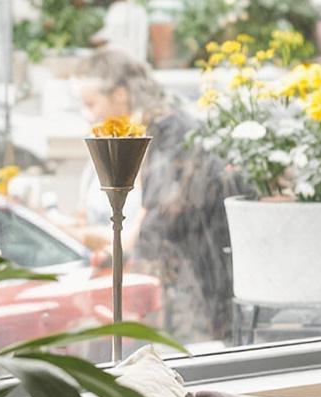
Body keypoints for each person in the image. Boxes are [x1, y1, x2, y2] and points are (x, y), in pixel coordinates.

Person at [75, 47, 241, 347]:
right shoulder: (145, 134)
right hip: (178, 294)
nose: (87, 115)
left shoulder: (170, 134)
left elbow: (162, 219)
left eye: (91, 103)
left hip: (192, 300)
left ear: (121, 95)